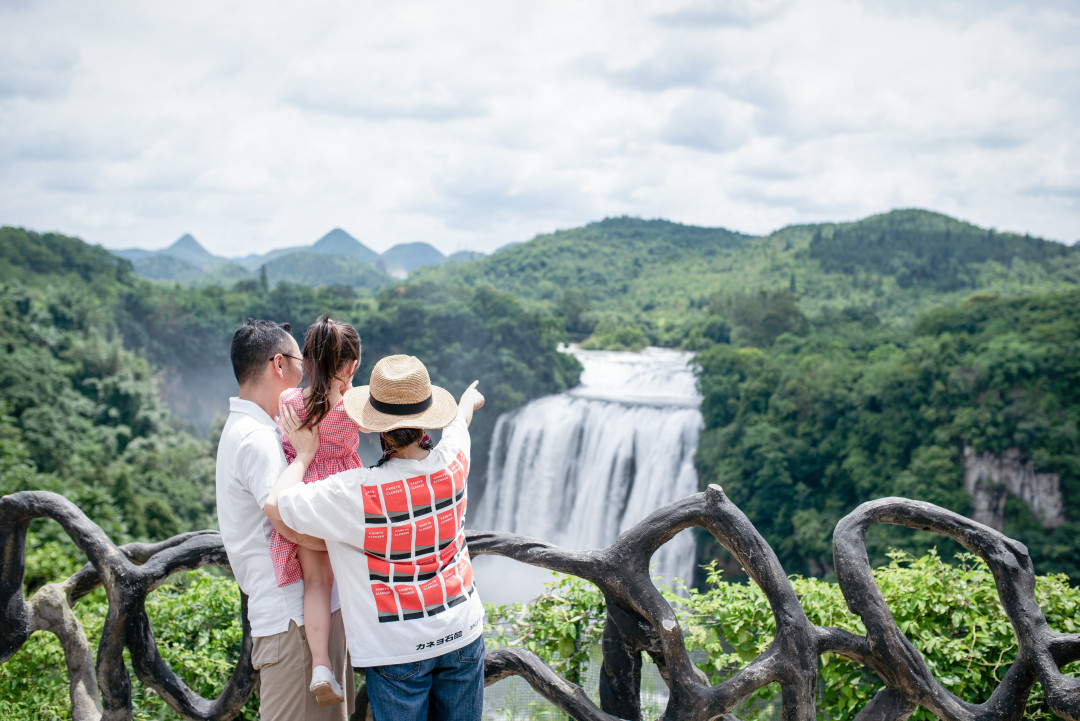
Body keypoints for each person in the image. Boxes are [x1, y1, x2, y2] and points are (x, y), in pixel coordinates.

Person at [264, 355, 487, 721]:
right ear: (427, 419)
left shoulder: (355, 492)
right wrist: (467, 401)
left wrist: (303, 454)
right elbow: (461, 423)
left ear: (376, 428)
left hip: (397, 649)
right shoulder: (453, 460)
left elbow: (277, 503)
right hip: (462, 633)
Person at [215, 318, 353, 721]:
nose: (306, 370)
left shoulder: (255, 427)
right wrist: (355, 543)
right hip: (293, 626)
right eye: (299, 360)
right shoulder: (257, 439)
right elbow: (288, 521)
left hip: (298, 620)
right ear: (279, 364)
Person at [268, 314, 362, 706]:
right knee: (358, 574)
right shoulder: (354, 406)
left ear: (306, 361)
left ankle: (321, 665)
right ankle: (371, 653)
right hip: (343, 502)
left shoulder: (289, 401)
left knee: (317, 584)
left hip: (305, 500)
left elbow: (283, 435)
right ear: (351, 365)